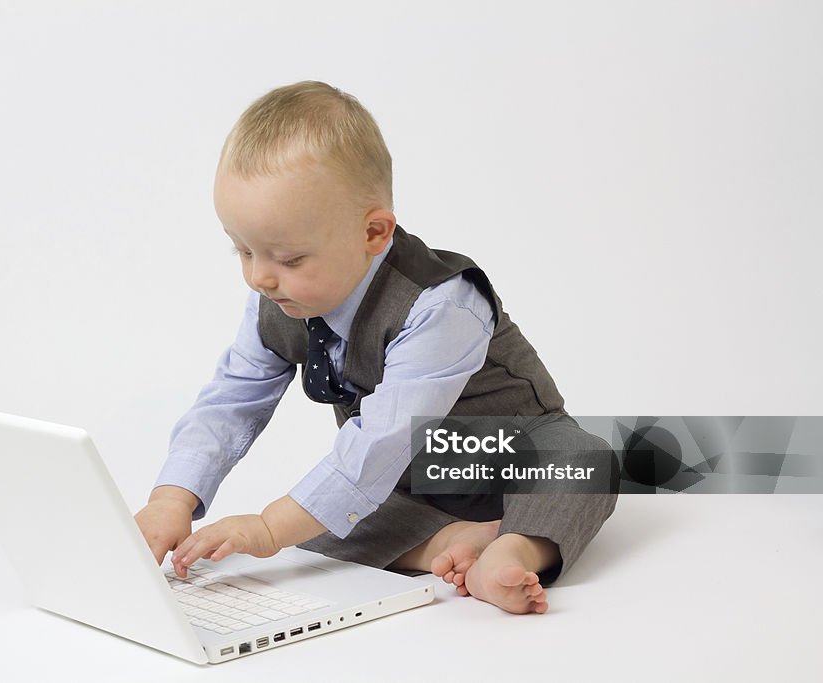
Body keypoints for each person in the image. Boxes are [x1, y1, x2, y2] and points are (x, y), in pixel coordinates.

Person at [133, 80, 617, 615]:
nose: (260, 277)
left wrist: (270, 526)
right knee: (322, 525)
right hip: (405, 476)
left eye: (289, 259)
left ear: (374, 232)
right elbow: (231, 398)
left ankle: (516, 544)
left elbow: (381, 438)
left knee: (586, 460)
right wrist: (171, 498)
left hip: (506, 454)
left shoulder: (441, 305)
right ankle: (449, 542)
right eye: (242, 251)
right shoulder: (278, 300)